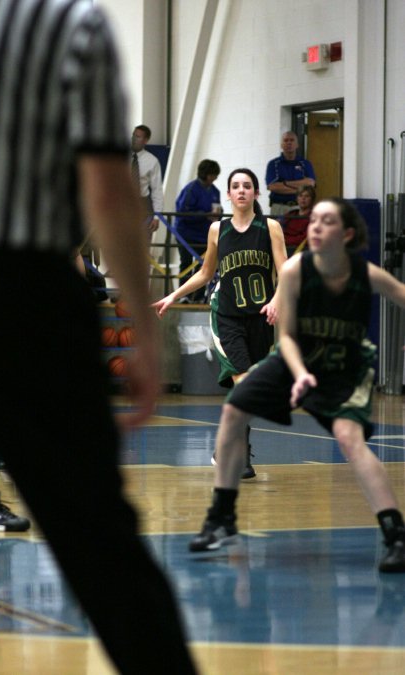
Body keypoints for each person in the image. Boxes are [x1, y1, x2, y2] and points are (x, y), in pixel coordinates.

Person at [0, 2, 197, 673]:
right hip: (21, 290)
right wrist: (143, 328)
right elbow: (108, 190)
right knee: (101, 544)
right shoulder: (71, 23)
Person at [189, 198, 405, 574]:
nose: (316, 227)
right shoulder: (293, 270)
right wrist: (300, 373)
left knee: (350, 440)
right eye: (313, 221)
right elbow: (285, 337)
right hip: (296, 359)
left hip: (344, 369)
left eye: (327, 221)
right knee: (234, 407)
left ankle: (395, 535)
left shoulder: (364, 273)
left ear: (347, 234)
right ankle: (221, 517)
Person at [153, 169, 287, 480]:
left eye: (247, 186)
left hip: (260, 318)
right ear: (227, 194)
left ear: (255, 193)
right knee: (244, 384)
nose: (241, 191)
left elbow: (285, 272)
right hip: (226, 316)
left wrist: (277, 300)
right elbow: (204, 273)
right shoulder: (218, 229)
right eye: (235, 186)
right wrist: (172, 295)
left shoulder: (270, 228)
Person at [175, 159, 222, 303]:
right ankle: (183, 296)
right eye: (213, 174)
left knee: (204, 266)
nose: (215, 178)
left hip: (204, 235)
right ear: (206, 174)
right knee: (187, 264)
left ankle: (199, 296)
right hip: (186, 234)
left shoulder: (215, 191)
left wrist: (218, 213)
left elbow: (217, 209)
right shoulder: (191, 189)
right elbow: (183, 211)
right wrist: (204, 215)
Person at [266, 131, 316, 216]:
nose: (289, 143)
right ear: (281, 145)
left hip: (299, 208)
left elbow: (310, 183)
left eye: (292, 140)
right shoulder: (273, 164)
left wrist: (284, 183)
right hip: (278, 207)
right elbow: (272, 186)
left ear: (297, 144)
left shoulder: (305, 163)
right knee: (276, 230)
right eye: (286, 140)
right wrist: (300, 189)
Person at [131, 124, 164, 236]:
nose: (134, 139)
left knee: (141, 241)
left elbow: (157, 190)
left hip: (142, 204)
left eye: (138, 137)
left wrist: (157, 216)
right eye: (133, 135)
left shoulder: (152, 161)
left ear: (145, 140)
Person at [282, 185, 316, 257]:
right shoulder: (289, 215)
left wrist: (285, 241)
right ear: (297, 199)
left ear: (312, 199)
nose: (303, 199)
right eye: (300, 196)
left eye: (307, 196)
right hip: (284, 249)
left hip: (303, 251)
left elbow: (305, 239)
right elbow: (280, 232)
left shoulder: (314, 217)